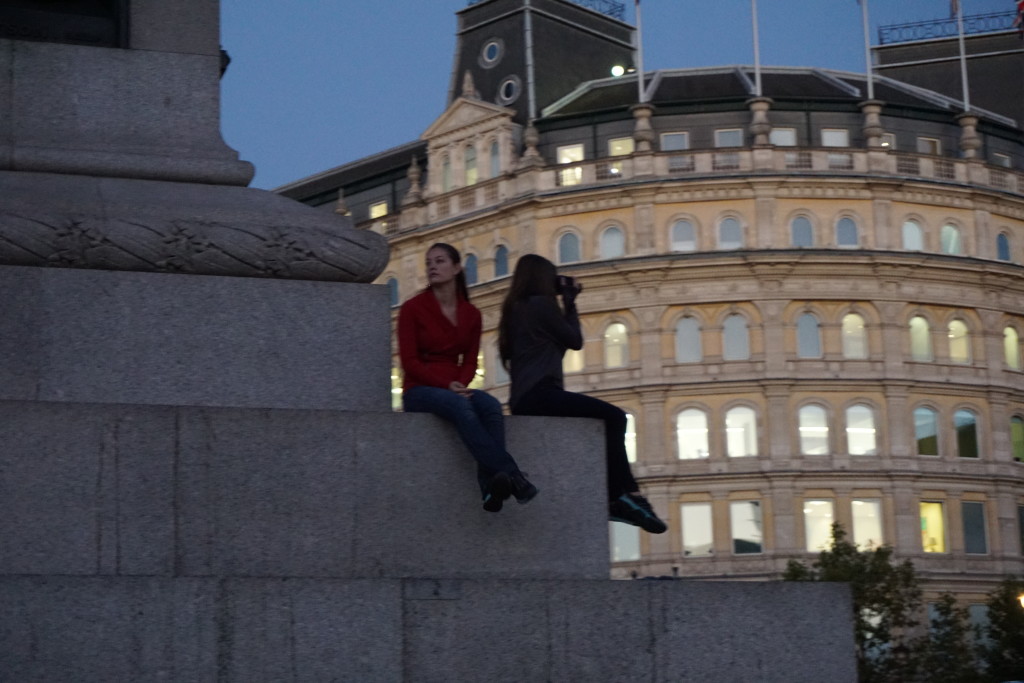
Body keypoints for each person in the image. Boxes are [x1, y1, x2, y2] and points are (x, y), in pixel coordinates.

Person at [498, 254, 666, 533]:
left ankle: (622, 496)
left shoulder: (516, 310)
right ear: (542, 278)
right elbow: (575, 341)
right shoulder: (540, 305)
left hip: (526, 398)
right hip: (540, 394)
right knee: (614, 417)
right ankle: (623, 494)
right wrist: (570, 301)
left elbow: (559, 345)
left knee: (609, 418)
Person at [398, 242, 538, 512]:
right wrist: (447, 386)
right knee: (461, 406)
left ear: (456, 267)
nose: (432, 267)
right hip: (420, 389)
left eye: (439, 261)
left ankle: (490, 488)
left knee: (491, 406)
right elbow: (409, 362)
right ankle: (513, 475)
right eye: (429, 263)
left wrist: (460, 384)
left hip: (455, 387)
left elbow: (471, 360)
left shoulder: (471, 314)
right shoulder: (412, 308)